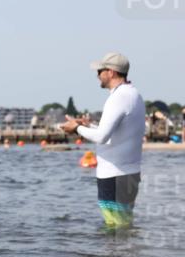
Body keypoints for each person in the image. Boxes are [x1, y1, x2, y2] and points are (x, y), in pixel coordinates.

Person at [60, 52, 145, 229]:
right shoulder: (133, 94)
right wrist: (87, 125)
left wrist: (75, 128)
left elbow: (102, 137)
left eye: (100, 70)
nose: (97, 74)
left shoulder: (118, 97)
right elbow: (114, 132)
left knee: (116, 228)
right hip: (127, 173)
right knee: (122, 227)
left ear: (111, 72)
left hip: (115, 175)